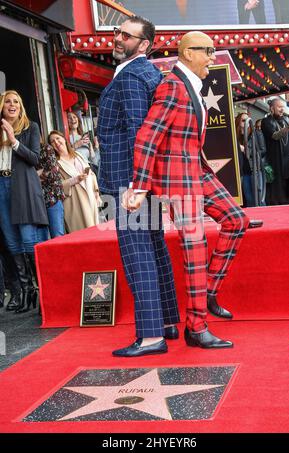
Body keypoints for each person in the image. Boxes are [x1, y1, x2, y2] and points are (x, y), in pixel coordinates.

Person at [123, 31, 250, 354]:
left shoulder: (192, 85)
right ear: (188, 53)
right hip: (179, 181)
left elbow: (189, 139)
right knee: (194, 250)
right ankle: (196, 326)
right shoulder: (172, 87)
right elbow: (147, 138)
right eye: (207, 51)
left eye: (213, 50)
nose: (212, 57)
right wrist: (140, 187)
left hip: (196, 172)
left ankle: (208, 290)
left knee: (236, 220)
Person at [97, 15, 180, 358]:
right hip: (140, 180)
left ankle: (150, 337)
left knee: (137, 255)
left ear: (144, 44)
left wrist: (135, 184)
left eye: (127, 36)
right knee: (154, 247)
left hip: (128, 180)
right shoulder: (146, 73)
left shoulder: (131, 76)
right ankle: (166, 322)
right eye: (117, 32)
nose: (118, 38)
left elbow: (137, 132)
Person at [0, 90, 48, 313]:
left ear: (21, 107)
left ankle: (40, 293)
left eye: (16, 102)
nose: (12, 105)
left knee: (28, 241)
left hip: (22, 187)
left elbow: (35, 159)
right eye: (8, 101)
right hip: (2, 187)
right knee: (11, 243)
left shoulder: (30, 127)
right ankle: (25, 292)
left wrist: (13, 140)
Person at [48, 130, 100, 233]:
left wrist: (97, 192)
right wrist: (75, 180)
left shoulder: (77, 155)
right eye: (53, 142)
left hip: (90, 197)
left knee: (95, 233)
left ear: (64, 139)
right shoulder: (55, 164)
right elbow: (57, 186)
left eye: (58, 138)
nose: (57, 143)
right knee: (82, 235)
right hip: (75, 203)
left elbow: (92, 174)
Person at [261, 98, 289, 205]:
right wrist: (288, 128)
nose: (282, 109)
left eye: (283, 107)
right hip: (276, 162)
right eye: (279, 107)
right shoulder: (266, 121)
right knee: (279, 193)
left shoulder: (287, 119)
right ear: (272, 108)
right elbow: (275, 136)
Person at [37, 142, 66, 238]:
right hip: (36, 200)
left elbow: (53, 172)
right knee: (42, 238)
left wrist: (35, 175)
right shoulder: (25, 153)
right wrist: (39, 173)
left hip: (52, 197)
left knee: (57, 234)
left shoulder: (46, 148)